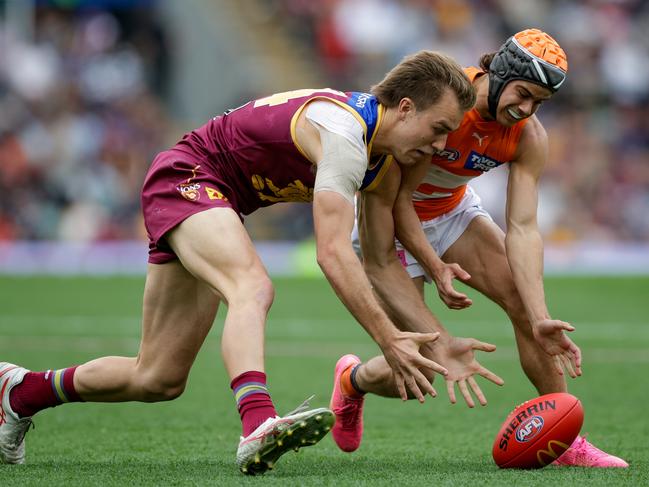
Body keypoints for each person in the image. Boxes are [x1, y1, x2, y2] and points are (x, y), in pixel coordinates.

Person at [0, 51, 481, 475]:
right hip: (187, 178)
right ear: (405, 107)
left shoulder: (385, 159)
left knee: (157, 378)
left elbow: (379, 262)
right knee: (252, 286)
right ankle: (257, 423)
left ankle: (20, 392)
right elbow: (333, 252)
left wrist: (437, 339)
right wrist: (387, 338)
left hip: (211, 199)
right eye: (439, 128)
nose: (441, 146)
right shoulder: (345, 135)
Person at [332, 29, 628, 468]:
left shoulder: (528, 136)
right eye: (524, 94)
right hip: (389, 221)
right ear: (502, 70)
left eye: (539, 103)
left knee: (528, 311)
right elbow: (397, 201)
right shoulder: (448, 102)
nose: (526, 109)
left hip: (452, 216)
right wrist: (434, 265)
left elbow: (524, 228)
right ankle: (353, 381)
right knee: (418, 363)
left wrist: (541, 312)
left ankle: (564, 440)